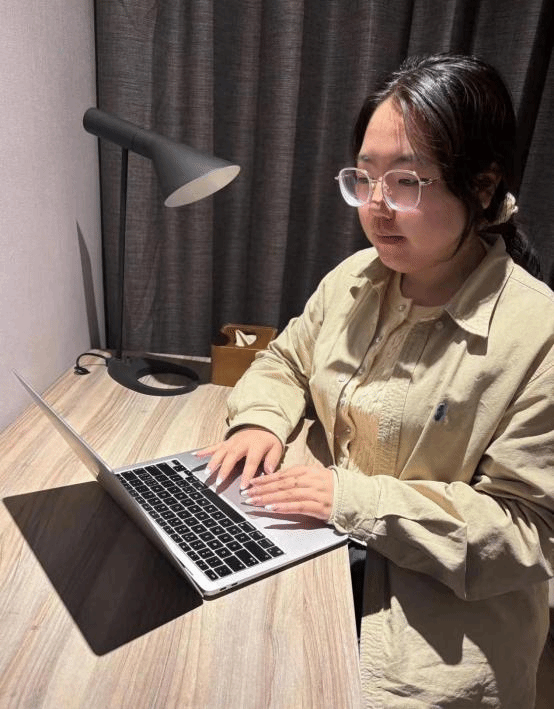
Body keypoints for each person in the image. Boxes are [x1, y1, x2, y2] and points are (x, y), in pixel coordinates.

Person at [196, 54, 554, 708]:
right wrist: (259, 420)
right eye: (364, 178)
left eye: (407, 181)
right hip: (322, 560)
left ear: (482, 185)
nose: (377, 205)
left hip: (435, 640)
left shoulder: (538, 334)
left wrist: (352, 499)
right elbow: (286, 360)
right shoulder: (355, 279)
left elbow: (527, 531)